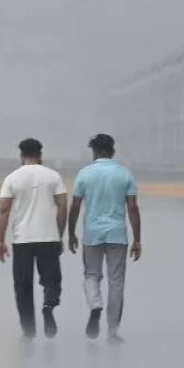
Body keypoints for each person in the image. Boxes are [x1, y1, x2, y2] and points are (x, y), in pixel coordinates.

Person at [67, 134, 141, 344]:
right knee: (116, 282)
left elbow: (75, 206)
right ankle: (113, 331)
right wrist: (137, 239)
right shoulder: (125, 174)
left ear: (94, 151)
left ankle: (95, 305)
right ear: (112, 150)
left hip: (92, 234)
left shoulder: (84, 174)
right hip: (118, 234)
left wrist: (71, 232)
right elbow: (133, 208)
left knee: (92, 275)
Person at [0, 138, 68, 340]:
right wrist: (59, 234)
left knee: (22, 285)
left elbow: (3, 211)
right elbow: (62, 207)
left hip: (22, 240)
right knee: (52, 279)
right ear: (41, 155)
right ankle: (48, 305)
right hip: (49, 238)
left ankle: (28, 331)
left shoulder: (12, 178)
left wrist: (0, 241)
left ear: (21, 155)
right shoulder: (53, 176)